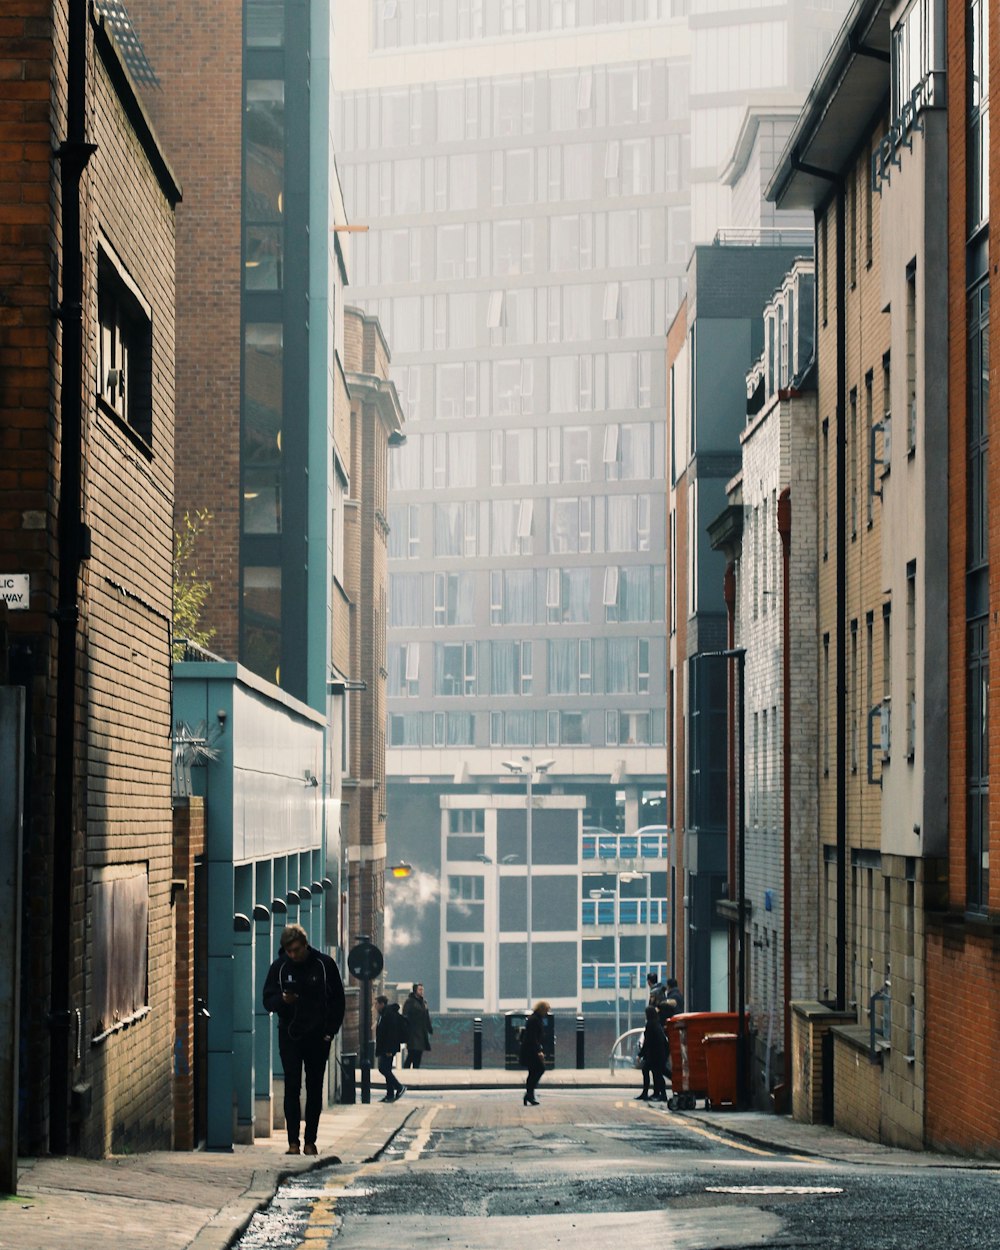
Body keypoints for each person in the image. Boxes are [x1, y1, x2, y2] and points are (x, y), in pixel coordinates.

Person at [262, 923, 345, 1157]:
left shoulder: (324, 965)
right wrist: (282, 1001)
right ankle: (292, 1143)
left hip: (318, 1036)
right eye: (289, 951)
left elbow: (338, 1001)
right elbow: (267, 1000)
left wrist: (330, 1031)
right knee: (291, 1087)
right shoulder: (279, 967)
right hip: (290, 1035)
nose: (293, 955)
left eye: (297, 950)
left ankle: (310, 1141)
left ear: (305, 944)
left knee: (314, 1088)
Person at [374, 995, 407, 1102]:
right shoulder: (383, 1014)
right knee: (386, 1069)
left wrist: (389, 1050)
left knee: (383, 1068)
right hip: (385, 1047)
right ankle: (390, 1094)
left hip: (388, 1048)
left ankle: (399, 1087)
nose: (375, 1006)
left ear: (382, 1004)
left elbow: (391, 1034)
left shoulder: (389, 1014)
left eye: (376, 1004)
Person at [519, 1000, 549, 1106]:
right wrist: (539, 1051)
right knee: (540, 1069)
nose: (547, 1012)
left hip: (529, 1050)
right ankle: (529, 1094)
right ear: (541, 1009)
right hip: (531, 1051)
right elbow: (532, 1038)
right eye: (546, 1010)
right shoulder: (534, 1020)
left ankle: (530, 1095)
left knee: (532, 1072)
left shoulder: (535, 1019)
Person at [636, 1005, 669, 1102]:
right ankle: (654, 1093)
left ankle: (661, 1094)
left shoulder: (650, 1025)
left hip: (655, 1055)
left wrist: (640, 1054)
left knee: (656, 1073)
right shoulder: (656, 1024)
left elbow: (647, 1042)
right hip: (658, 1054)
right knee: (653, 1072)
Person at [401, 982, 433, 1068]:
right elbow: (405, 1016)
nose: (422, 991)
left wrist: (429, 1029)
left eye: (422, 990)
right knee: (412, 1054)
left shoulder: (424, 1002)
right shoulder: (410, 1002)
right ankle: (406, 1071)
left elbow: (426, 1017)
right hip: (413, 1033)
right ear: (415, 990)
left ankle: (415, 1070)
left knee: (418, 1055)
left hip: (421, 1033)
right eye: (420, 989)